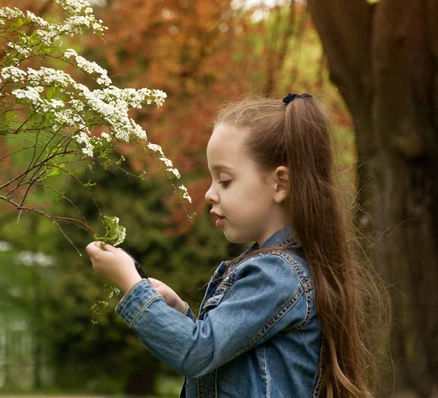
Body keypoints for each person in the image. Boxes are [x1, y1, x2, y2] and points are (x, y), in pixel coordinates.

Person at [86, 94, 380, 397]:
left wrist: (132, 286)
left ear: (280, 184)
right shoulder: (274, 270)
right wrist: (179, 312)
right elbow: (220, 359)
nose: (210, 194)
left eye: (224, 180)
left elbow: (196, 353)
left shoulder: (276, 274)